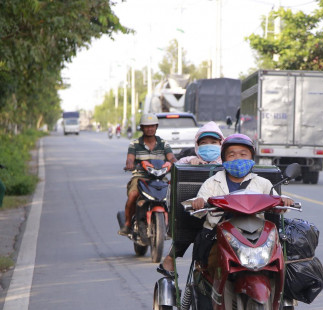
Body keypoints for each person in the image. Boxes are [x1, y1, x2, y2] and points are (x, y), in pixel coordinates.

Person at [187, 133, 293, 270]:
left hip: (257, 237)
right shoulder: (212, 182)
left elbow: (278, 206)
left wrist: (283, 201)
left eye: (243, 155)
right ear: (224, 159)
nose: (237, 159)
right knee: (210, 266)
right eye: (231, 155)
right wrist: (198, 202)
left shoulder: (263, 183)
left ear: (251, 158)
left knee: (275, 267)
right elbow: (198, 205)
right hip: (219, 236)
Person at [157, 121, 224, 276]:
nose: (209, 146)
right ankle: (170, 259)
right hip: (198, 211)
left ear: (221, 144)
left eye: (213, 142)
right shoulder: (191, 161)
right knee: (187, 227)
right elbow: (177, 167)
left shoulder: (229, 163)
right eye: (204, 143)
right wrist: (190, 162)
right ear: (197, 146)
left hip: (224, 212)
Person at [119, 113, 176, 235]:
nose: (150, 129)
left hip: (160, 177)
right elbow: (130, 158)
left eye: (152, 126)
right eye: (146, 126)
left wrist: (176, 163)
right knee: (133, 195)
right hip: (140, 177)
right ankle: (128, 224)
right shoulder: (134, 143)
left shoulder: (163, 143)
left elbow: (171, 157)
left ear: (156, 127)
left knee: (173, 197)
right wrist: (130, 163)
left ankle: (172, 225)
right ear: (142, 128)